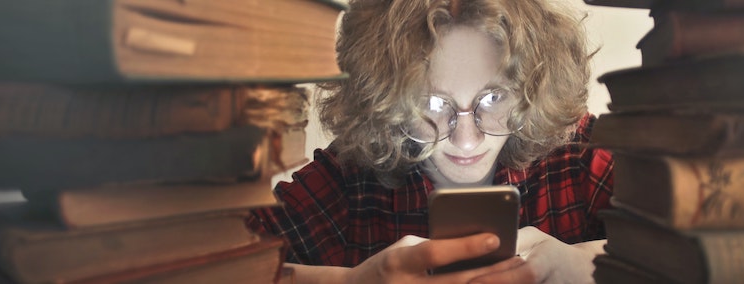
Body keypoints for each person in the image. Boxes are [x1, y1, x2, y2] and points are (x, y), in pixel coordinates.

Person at [250, 0, 614, 282]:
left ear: (530, 89)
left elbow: (673, 240)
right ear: (390, 99)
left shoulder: (577, 153)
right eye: (433, 103)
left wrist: (588, 266)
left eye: (494, 98)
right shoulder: (348, 181)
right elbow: (209, 265)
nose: (467, 141)